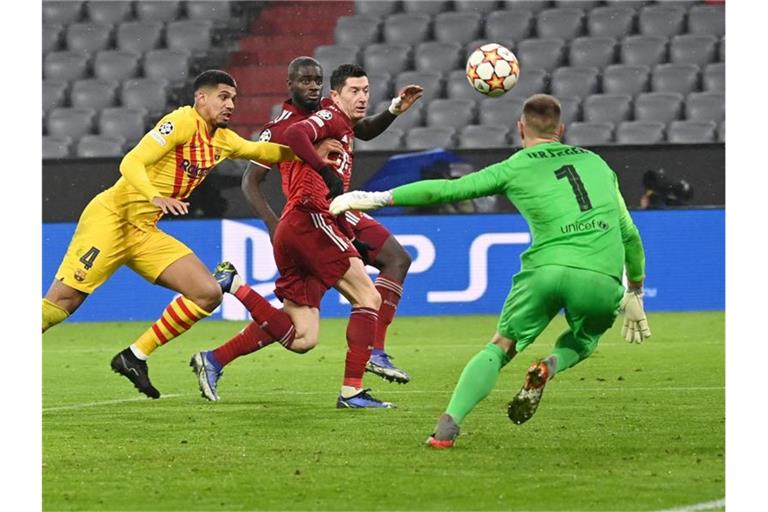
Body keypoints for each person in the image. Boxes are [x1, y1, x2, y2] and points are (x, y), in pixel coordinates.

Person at [329, 94, 652, 446]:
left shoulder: (514, 166)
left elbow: (447, 191)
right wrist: (633, 289)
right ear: (561, 129)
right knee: (584, 339)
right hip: (600, 278)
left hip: (545, 270)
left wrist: (376, 198)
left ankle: (446, 428)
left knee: (500, 347)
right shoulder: (598, 164)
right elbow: (630, 235)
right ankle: (552, 364)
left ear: (519, 128)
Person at [41, 70, 333, 399]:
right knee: (62, 304)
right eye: (223, 97)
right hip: (111, 220)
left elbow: (263, 152)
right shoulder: (180, 122)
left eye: (234, 99)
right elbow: (131, 162)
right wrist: (154, 196)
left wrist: (310, 154)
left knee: (207, 292)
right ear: (201, 98)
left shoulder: (222, 140)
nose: (231, 105)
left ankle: (134, 356)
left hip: (144, 231)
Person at [190, 58, 423, 403]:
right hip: (312, 216)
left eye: (317, 80)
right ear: (290, 84)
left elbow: (363, 128)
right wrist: (273, 222)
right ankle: (358, 380)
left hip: (320, 217)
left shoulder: (328, 111)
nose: (312, 86)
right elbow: (251, 178)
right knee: (372, 290)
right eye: (305, 81)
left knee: (302, 337)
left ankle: (217, 346)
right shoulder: (283, 127)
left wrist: (392, 109)